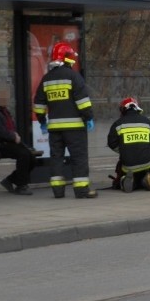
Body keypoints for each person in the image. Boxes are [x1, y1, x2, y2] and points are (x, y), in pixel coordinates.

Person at [33, 41, 98, 199]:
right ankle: (82, 190)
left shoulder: (46, 79)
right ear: (65, 58)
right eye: (70, 57)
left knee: (56, 159)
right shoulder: (73, 77)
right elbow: (83, 102)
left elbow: (39, 105)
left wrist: (42, 121)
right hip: (75, 128)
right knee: (79, 158)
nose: (72, 60)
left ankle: (58, 191)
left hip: (55, 129)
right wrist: (89, 117)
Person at [0, 83, 37, 196]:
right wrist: (12, 136)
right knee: (23, 154)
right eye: (4, 97)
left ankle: (11, 180)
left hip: (8, 142)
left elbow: (9, 127)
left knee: (31, 157)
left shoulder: (3, 110)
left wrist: (14, 136)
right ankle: (21, 185)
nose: (7, 99)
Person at [107, 97, 150, 192]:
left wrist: (124, 150)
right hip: (147, 160)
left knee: (132, 171)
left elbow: (111, 143)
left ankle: (125, 181)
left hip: (127, 165)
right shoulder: (147, 122)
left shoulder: (117, 124)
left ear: (123, 110)